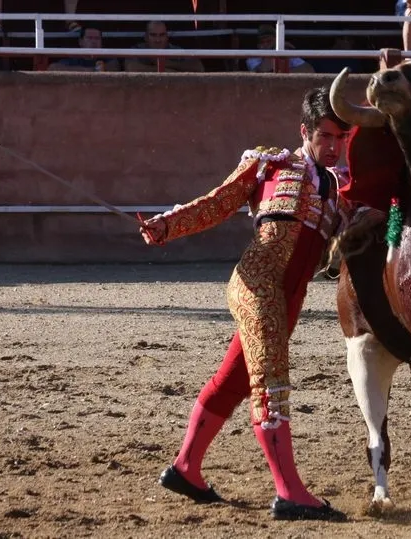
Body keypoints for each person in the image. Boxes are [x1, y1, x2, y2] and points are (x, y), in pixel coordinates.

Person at [139, 87, 353, 522]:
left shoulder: (343, 186)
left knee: (234, 380)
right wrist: (167, 225)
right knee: (271, 386)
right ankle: (290, 492)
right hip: (257, 286)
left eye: (341, 137)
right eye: (326, 136)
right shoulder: (270, 164)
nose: (333, 146)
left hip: (289, 299)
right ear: (305, 132)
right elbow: (218, 203)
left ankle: (185, 468)